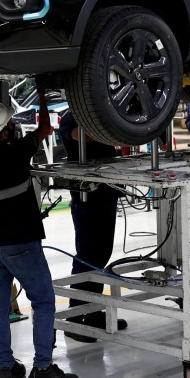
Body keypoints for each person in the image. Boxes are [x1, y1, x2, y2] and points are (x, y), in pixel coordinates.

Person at [0, 90, 79, 378]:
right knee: (43, 301)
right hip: (22, 243)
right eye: (10, 125)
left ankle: (7, 367)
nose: (14, 127)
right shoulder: (18, 151)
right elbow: (45, 127)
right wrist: (41, 94)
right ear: (4, 132)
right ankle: (42, 367)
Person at [58, 110, 128, 342]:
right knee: (87, 255)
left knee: (101, 255)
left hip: (105, 191)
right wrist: (116, 129)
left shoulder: (102, 116)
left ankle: (92, 311)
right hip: (86, 194)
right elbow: (82, 135)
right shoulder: (72, 117)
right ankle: (74, 317)